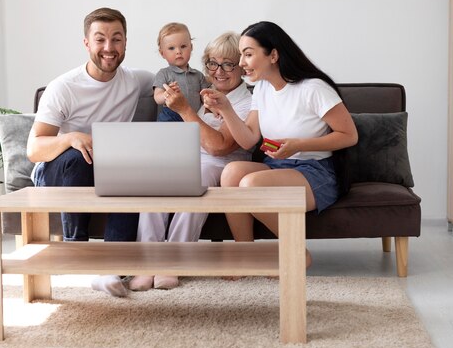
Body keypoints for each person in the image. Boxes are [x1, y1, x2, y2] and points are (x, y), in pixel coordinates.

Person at [202, 21, 358, 265]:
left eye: (248, 54)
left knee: (251, 184)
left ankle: (297, 251)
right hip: (278, 166)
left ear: (273, 55)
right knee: (232, 173)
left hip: (316, 171)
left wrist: (299, 144)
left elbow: (349, 135)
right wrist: (227, 109)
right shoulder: (262, 88)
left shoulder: (313, 88)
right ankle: (245, 254)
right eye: (242, 55)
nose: (241, 62)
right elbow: (249, 139)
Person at [26, 7, 153, 298]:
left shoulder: (134, 81)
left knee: (130, 170)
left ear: (125, 43)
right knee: (79, 154)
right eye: (100, 40)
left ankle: (112, 268)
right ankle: (78, 251)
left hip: (108, 170)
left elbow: (169, 80)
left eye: (116, 39)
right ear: (87, 43)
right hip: (58, 172)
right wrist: (70, 137)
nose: (109, 48)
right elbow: (34, 149)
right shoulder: (64, 87)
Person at [129, 31, 253, 291]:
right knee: (153, 182)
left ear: (241, 68)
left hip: (222, 164)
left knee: (196, 183)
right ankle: (147, 263)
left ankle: (172, 262)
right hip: (189, 157)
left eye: (228, 64)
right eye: (212, 63)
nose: (219, 71)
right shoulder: (202, 92)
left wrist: (185, 109)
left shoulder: (246, 102)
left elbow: (219, 147)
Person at [153, 22, 210, 122]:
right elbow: (157, 98)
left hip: (193, 116)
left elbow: (204, 98)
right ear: (162, 53)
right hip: (171, 115)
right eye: (171, 48)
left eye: (183, 46)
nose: (178, 51)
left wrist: (212, 106)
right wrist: (166, 93)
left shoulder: (198, 75)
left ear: (191, 47)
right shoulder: (164, 73)